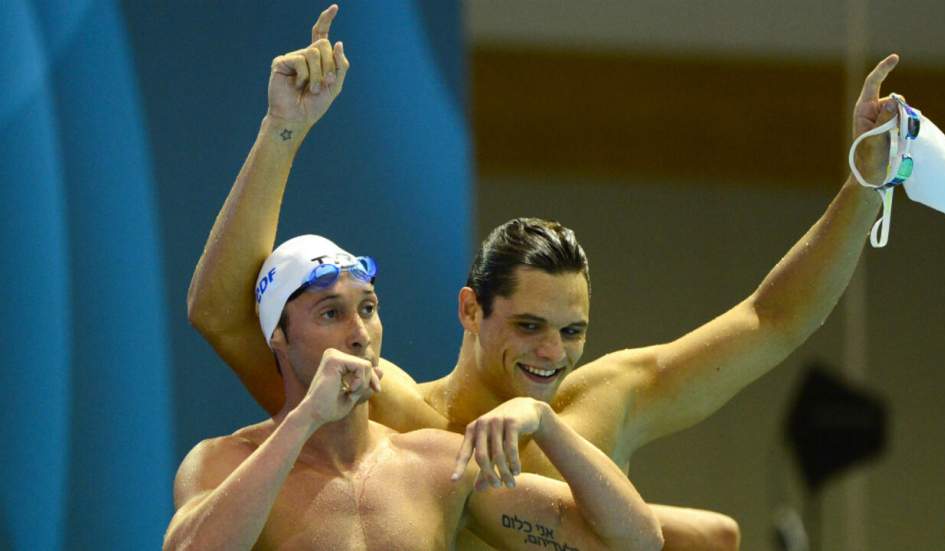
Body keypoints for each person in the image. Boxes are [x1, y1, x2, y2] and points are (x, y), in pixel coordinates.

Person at [188, 5, 899, 549]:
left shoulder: (610, 400)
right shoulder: (392, 411)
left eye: (571, 330)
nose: (550, 353)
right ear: (470, 309)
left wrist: (865, 185)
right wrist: (283, 130)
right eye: (528, 325)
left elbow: (771, 319)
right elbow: (224, 311)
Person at [165, 235, 663, 550]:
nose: (359, 332)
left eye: (368, 308)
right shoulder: (224, 463)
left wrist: (545, 420)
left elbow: (636, 541)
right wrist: (303, 421)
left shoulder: (440, 467)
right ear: (278, 335)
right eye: (330, 313)